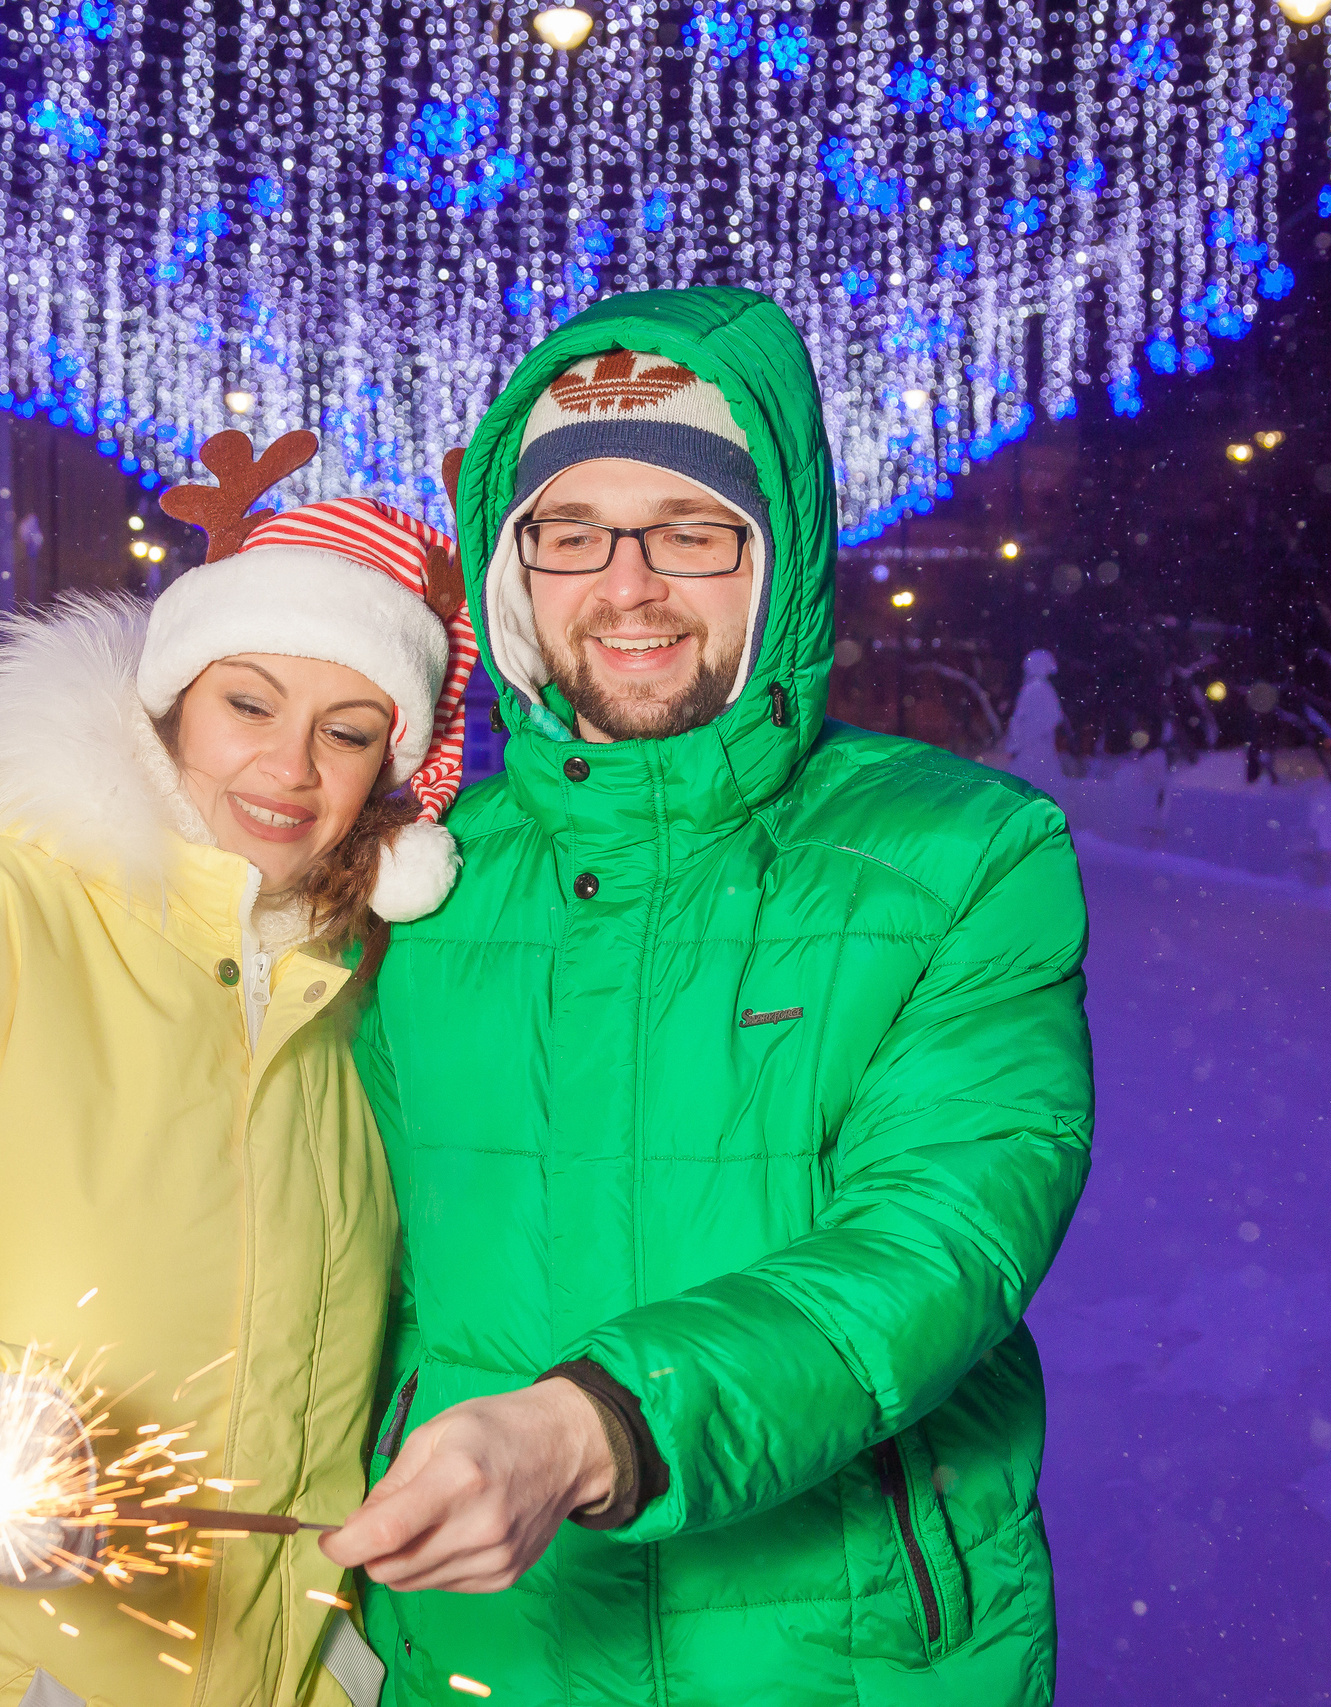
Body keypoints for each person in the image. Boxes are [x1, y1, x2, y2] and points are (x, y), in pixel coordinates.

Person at [321, 288, 1094, 1704]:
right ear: (516, 572)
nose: (629, 585)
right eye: (572, 532)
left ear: (776, 559)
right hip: (491, 1642)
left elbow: (938, 1238)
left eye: (690, 530)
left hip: (840, 1646)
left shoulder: (966, 855)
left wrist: (599, 1424)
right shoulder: (421, 881)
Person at [0, 487, 475, 1707]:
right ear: (169, 702)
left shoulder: (358, 995)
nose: (287, 766)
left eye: (350, 728)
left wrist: (329, 1654)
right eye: (248, 703)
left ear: (393, 765)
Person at [998, 647, 1075, 780]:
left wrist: (1015, 744)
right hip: (1042, 750)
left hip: (1029, 752)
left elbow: (1022, 721)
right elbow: (1055, 717)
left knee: (1025, 788)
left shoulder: (1034, 689)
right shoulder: (1044, 689)